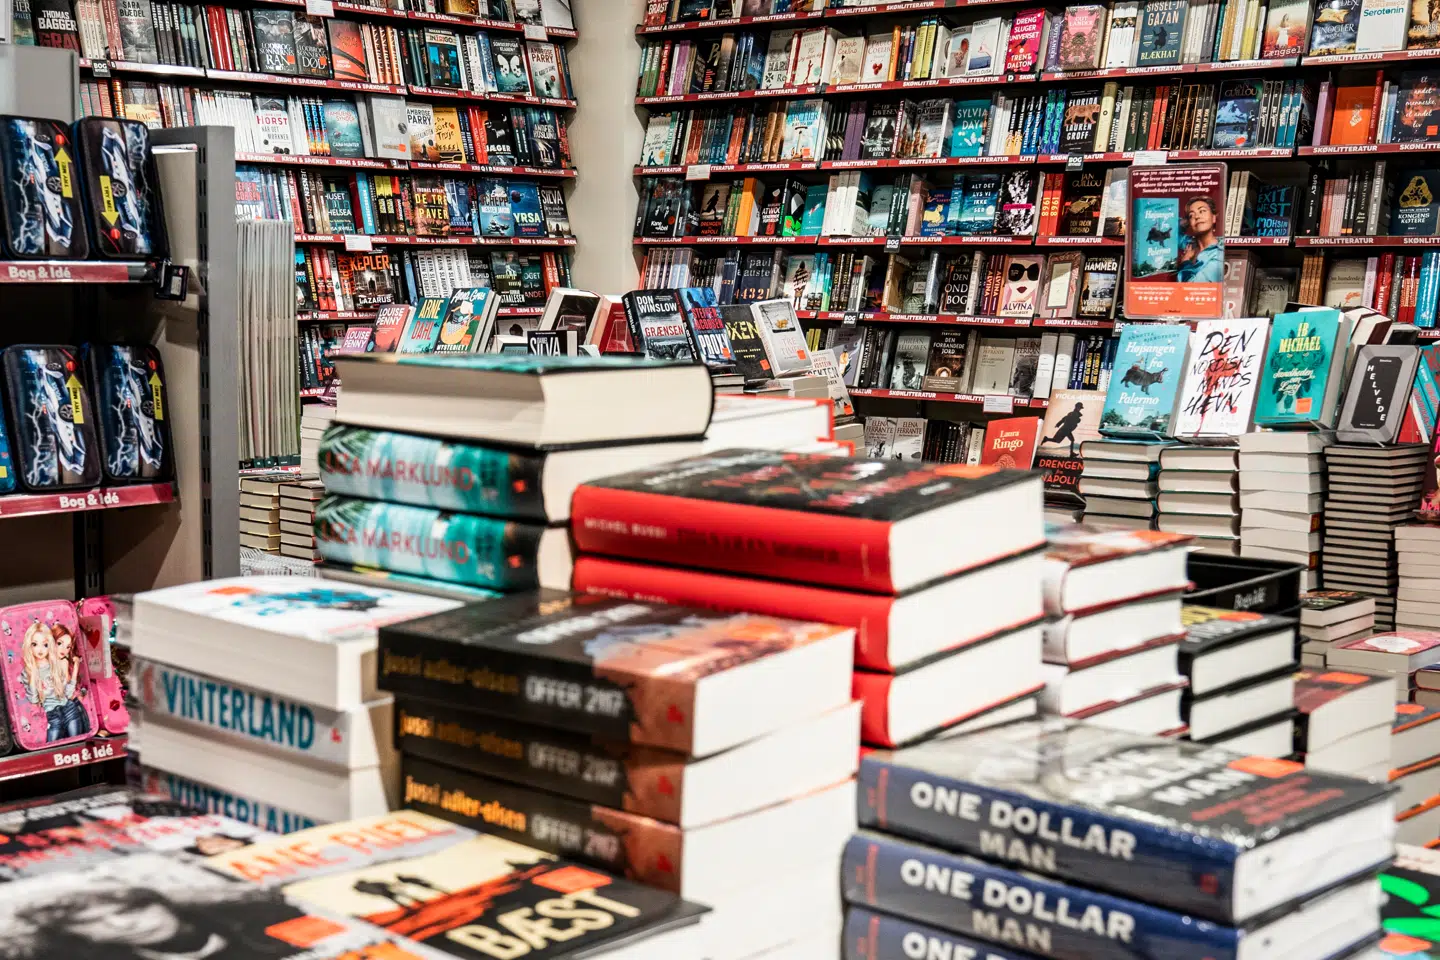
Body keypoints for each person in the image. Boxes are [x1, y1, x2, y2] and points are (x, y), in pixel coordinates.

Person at [19, 886, 306, 959]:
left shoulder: (264, 915)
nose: (124, 926)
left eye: (129, 911)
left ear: (160, 902)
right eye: (94, 923)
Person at [1176, 197, 1223, 284]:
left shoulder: (1220, 253)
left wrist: (1185, 262)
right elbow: (1171, 232)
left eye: (1202, 211)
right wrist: (1186, 221)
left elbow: (1192, 288)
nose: (1197, 216)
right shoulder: (1190, 244)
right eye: (1191, 215)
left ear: (1214, 218)